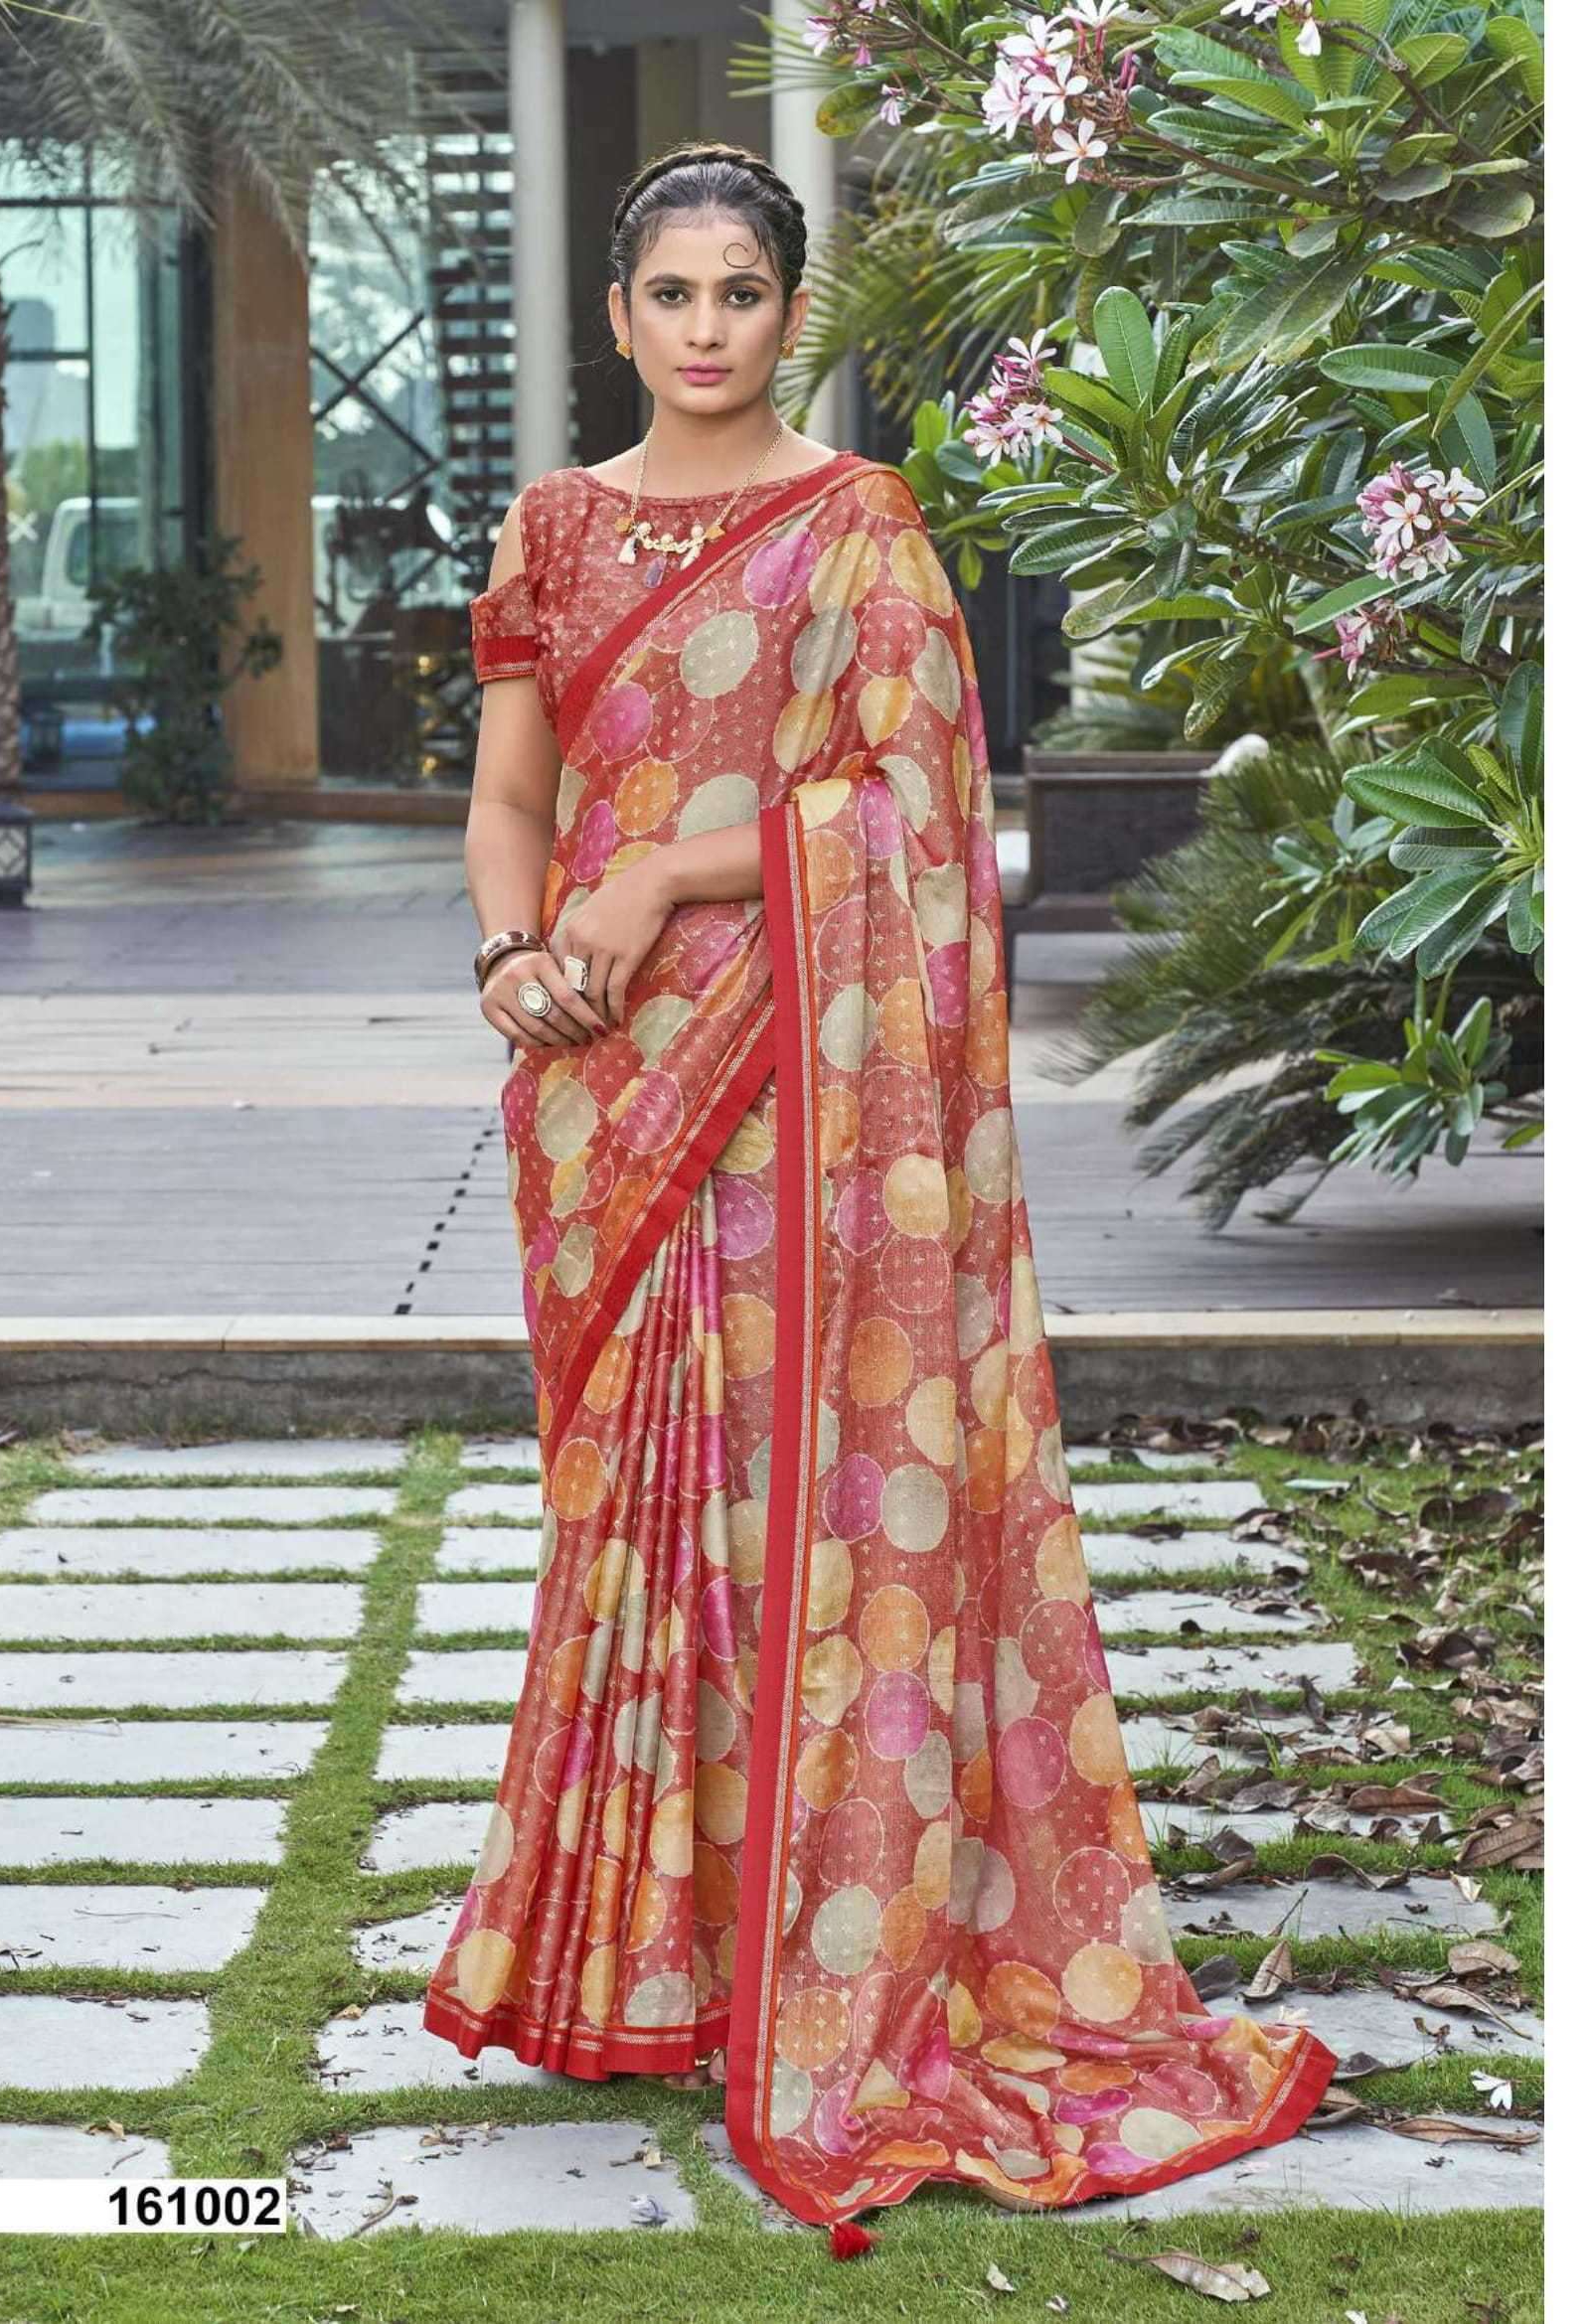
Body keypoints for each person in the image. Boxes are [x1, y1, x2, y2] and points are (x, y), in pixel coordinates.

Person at [421, 139, 1335, 2250]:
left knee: (809, 1497)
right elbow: (508, 794)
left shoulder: (854, 525)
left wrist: (663, 875)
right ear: (617, 316)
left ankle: (836, 1951)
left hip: (800, 1077)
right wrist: (512, 947)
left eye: (741, 294)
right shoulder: (554, 525)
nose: (707, 330)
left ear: (788, 312)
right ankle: (645, 1959)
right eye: (672, 296)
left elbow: (913, 808)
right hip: (602, 1070)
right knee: (635, 1511)